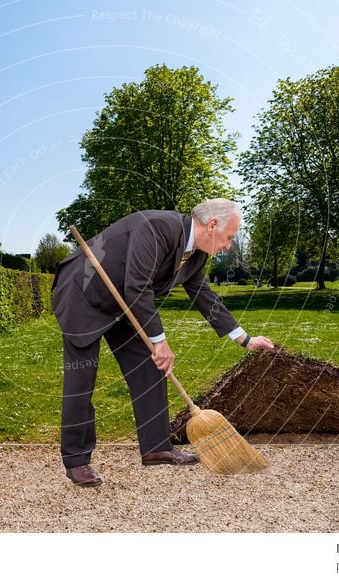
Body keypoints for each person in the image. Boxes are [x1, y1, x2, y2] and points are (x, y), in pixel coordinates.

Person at [51, 199, 274, 487]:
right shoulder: (156, 227)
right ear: (213, 225)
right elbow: (138, 286)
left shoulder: (196, 254)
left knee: (150, 368)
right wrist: (160, 342)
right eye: (230, 238)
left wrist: (244, 338)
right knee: (82, 380)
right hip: (83, 295)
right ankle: (77, 460)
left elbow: (202, 294)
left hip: (124, 305)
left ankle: (156, 448)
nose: (228, 246)